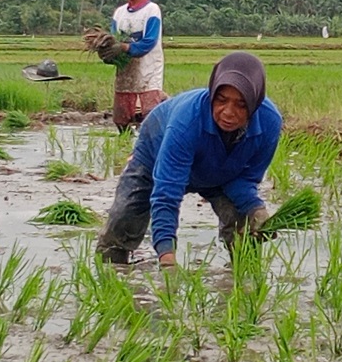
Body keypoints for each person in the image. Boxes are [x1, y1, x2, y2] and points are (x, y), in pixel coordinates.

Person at [95, 51, 282, 267]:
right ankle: (108, 274)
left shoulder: (269, 123)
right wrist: (167, 259)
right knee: (123, 220)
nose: (228, 112)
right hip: (155, 154)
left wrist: (256, 209)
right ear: (212, 93)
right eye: (221, 100)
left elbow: (245, 179)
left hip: (220, 172)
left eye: (241, 105)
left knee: (245, 229)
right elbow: (167, 194)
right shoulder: (186, 121)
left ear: (254, 101)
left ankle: (243, 284)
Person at [110, 0, 166, 131]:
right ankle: (123, 148)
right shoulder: (119, 13)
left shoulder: (151, 11)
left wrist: (125, 48)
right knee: (122, 119)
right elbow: (113, 41)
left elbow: (149, 42)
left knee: (149, 118)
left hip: (148, 71)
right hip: (125, 73)